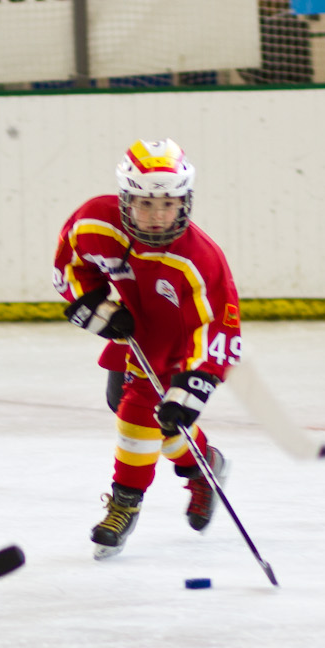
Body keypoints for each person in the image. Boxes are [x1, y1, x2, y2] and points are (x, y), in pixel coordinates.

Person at [53, 139, 243, 559]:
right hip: (136, 326)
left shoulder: (201, 259)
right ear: (126, 200)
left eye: (168, 205)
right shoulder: (95, 222)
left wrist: (194, 382)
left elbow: (218, 328)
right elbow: (72, 267)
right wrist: (95, 305)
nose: (157, 216)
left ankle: (125, 504)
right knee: (139, 411)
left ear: (184, 203)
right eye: (145, 204)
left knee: (138, 413)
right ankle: (204, 465)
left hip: (180, 341)